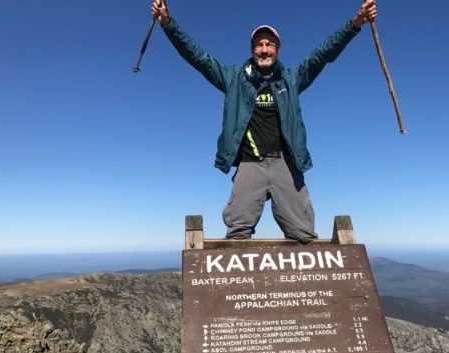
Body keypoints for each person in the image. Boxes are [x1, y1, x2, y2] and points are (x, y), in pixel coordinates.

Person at [151, 0, 377, 243]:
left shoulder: (292, 79)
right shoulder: (233, 78)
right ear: (252, 51)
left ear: (278, 50)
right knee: (237, 235)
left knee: (303, 235)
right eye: (259, 45)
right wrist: (168, 24)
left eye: (270, 44)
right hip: (250, 163)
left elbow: (323, 55)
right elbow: (198, 57)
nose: (264, 49)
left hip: (286, 164)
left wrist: (355, 24)